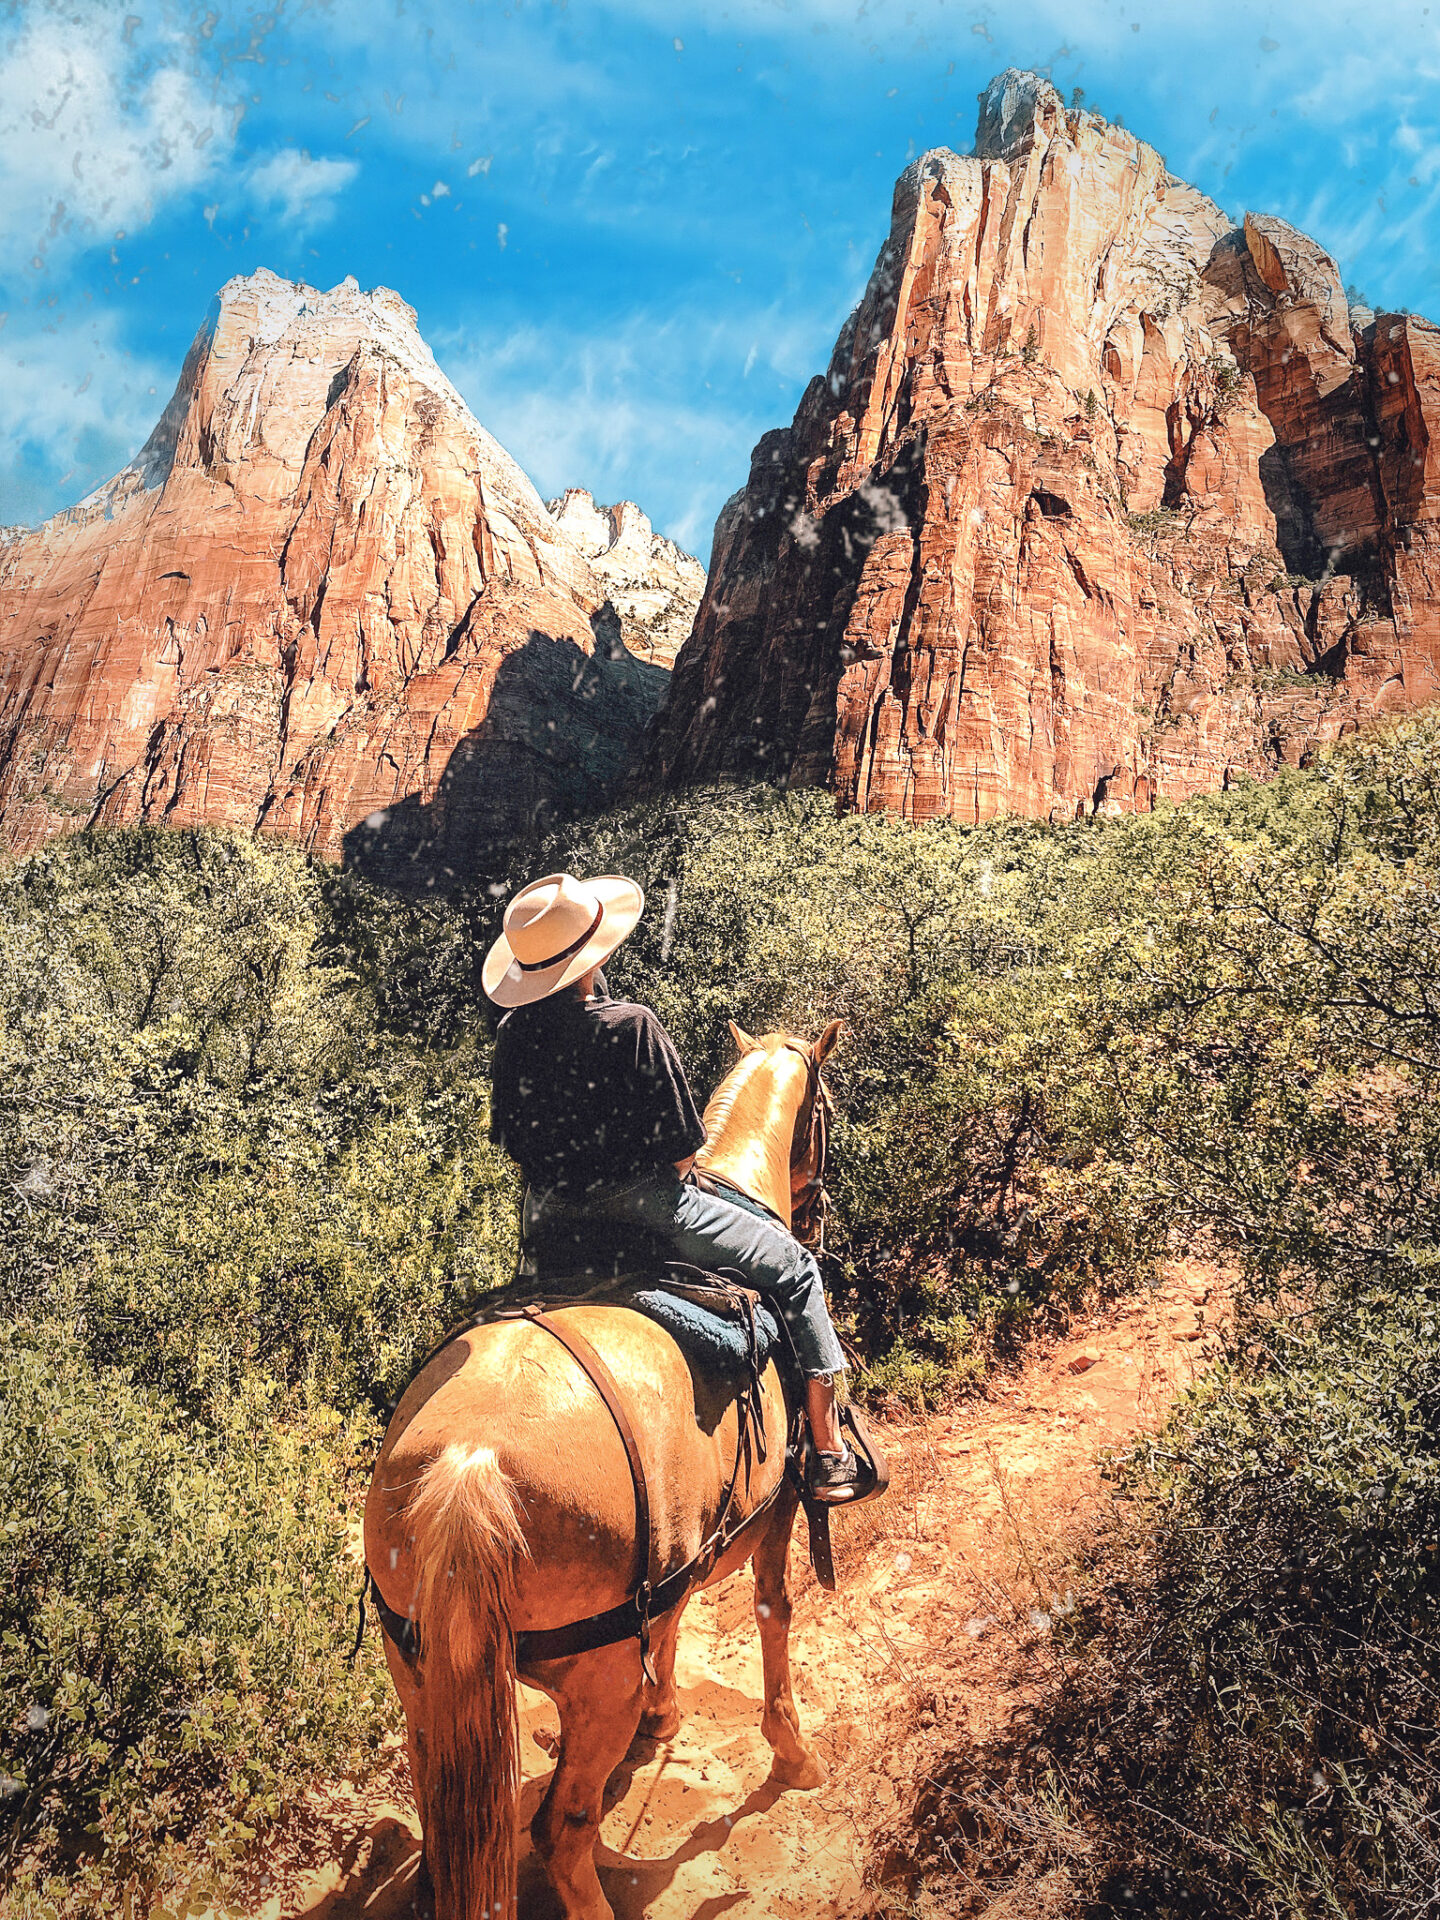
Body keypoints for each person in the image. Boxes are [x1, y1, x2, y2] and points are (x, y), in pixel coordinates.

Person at [484, 869, 860, 1502]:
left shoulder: (512, 1036)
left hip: (548, 1221)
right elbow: (686, 1154)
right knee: (795, 1269)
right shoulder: (632, 1025)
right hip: (648, 1209)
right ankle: (826, 1449)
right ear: (590, 959)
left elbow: (514, 1144)